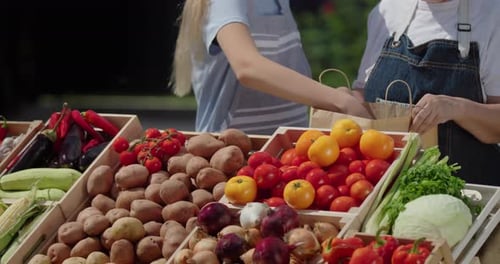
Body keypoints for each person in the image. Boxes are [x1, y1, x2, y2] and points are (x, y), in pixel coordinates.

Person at [353, 0, 500, 185]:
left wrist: (456, 108)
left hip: (469, 195)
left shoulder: (493, 14)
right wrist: (346, 100)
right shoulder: (387, 9)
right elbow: (364, 95)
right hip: (383, 192)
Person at [170, 0, 371, 135]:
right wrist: (338, 101)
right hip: (233, 159)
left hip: (278, 156)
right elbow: (248, 68)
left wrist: (333, 98)